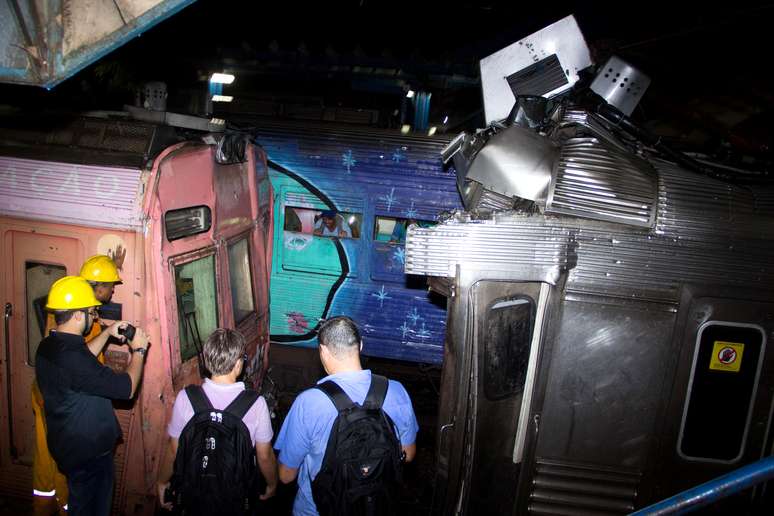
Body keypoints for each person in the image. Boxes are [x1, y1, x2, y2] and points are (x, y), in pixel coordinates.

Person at [275, 316, 418, 516]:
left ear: (323, 350)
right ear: (360, 346)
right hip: (376, 506)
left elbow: (286, 475)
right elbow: (408, 454)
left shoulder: (308, 402)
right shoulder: (396, 391)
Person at [35, 275, 149, 516]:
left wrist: (107, 333)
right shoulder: (74, 360)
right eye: (91, 312)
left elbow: (82, 357)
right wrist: (138, 350)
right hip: (89, 458)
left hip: (68, 447)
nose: (94, 316)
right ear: (77, 315)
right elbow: (126, 389)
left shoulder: (48, 347)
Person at [157, 328, 278, 513]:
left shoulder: (186, 397)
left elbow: (174, 449)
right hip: (235, 498)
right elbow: (264, 455)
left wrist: (162, 481)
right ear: (239, 364)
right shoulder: (256, 404)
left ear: (206, 361)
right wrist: (272, 484)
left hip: (195, 496)